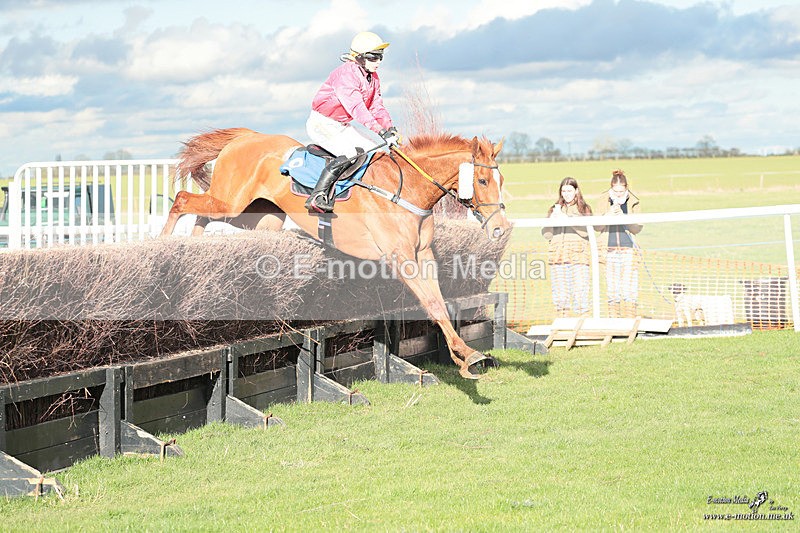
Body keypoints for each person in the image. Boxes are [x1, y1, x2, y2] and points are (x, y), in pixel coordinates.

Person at [304, 31, 400, 212]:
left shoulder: (373, 77)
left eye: (381, 57)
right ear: (359, 57)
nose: (378, 61)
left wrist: (390, 127)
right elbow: (357, 109)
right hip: (322, 123)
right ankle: (318, 196)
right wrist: (380, 132)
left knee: (377, 150)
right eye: (374, 57)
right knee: (349, 153)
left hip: (341, 125)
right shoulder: (345, 75)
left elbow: (376, 106)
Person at [542, 177, 593, 317]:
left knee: (580, 294)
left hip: (579, 258)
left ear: (576, 191)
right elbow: (546, 235)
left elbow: (587, 232)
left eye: (569, 190)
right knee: (560, 297)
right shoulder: (554, 209)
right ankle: (563, 326)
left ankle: (583, 326)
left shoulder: (584, 208)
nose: (566, 194)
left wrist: (568, 220)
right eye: (563, 191)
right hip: (558, 258)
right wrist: (551, 222)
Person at [596, 169, 643, 318]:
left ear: (626, 188)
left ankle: (630, 320)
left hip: (628, 250)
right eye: (615, 191)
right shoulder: (603, 199)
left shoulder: (633, 201)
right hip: (609, 251)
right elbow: (597, 226)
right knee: (613, 289)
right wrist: (608, 216)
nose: (618, 195)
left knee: (629, 289)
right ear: (611, 188)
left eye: (621, 192)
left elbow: (637, 228)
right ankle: (614, 320)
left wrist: (625, 218)